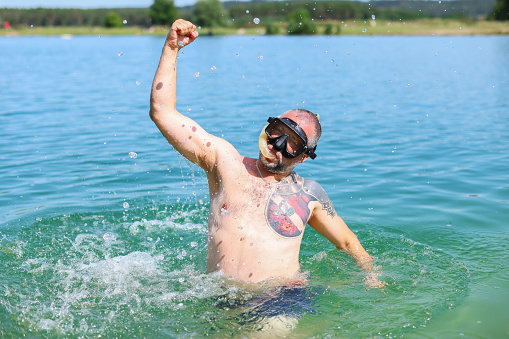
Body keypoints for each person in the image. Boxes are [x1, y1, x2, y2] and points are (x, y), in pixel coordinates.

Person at [150, 19, 383, 289]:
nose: (277, 143)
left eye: (293, 142)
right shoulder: (225, 162)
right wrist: (171, 48)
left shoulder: (309, 194)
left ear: (304, 156)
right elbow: (162, 111)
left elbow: (346, 241)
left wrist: (371, 274)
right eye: (276, 130)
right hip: (221, 297)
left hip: (281, 298)